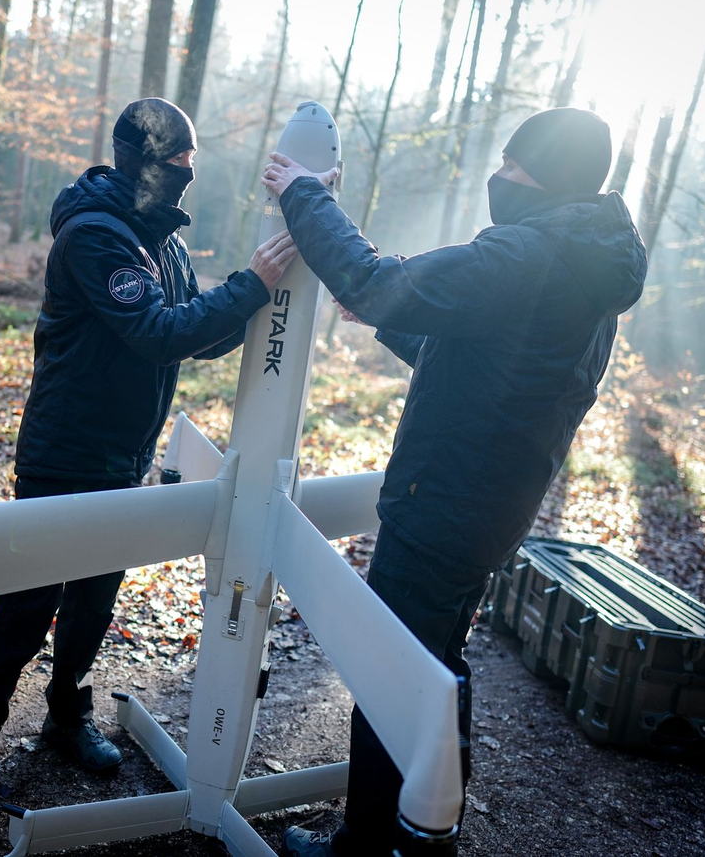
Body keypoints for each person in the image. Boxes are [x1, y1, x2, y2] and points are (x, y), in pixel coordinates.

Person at [262, 107, 647, 856]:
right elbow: (499, 366)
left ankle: (373, 845)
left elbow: (378, 281)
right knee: (432, 667)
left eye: (514, 166)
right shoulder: (587, 263)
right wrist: (390, 317)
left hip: (442, 503)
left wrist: (305, 193)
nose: (499, 177)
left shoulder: (528, 252)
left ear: (549, 178)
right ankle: (420, 832)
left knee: (393, 673)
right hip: (488, 508)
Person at [0, 97, 301, 797]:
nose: (187, 175)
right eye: (178, 163)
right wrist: (250, 285)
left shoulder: (161, 239)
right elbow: (158, 334)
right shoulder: (95, 236)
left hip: (123, 458)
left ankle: (66, 718)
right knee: (27, 604)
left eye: (193, 163)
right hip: (63, 455)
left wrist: (258, 297)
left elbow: (193, 330)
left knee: (93, 604)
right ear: (141, 162)